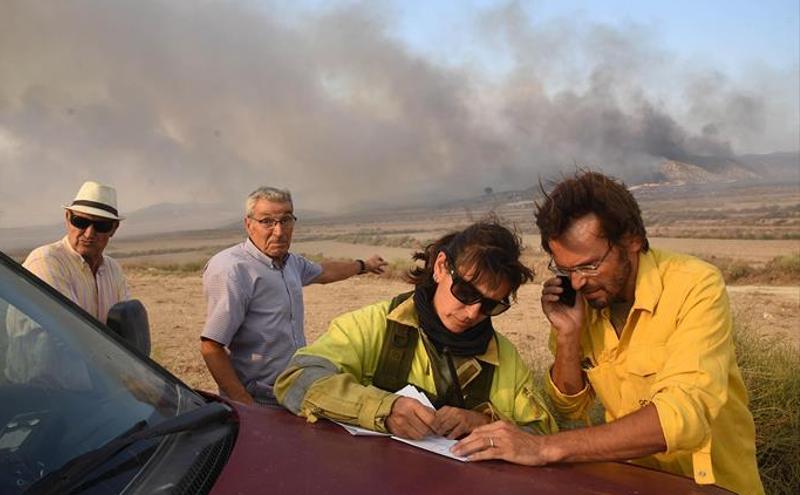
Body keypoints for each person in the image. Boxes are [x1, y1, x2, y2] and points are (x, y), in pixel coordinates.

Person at [452, 171, 763, 495]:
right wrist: (568, 335)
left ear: (632, 240)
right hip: (635, 484)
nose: (577, 283)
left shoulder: (695, 285)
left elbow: (683, 415)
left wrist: (543, 448)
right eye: (566, 269)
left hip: (713, 486)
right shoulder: (585, 302)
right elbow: (571, 409)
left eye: (588, 266)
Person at [274, 220, 557, 439]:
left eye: (490, 306)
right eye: (465, 292)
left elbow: (543, 436)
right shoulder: (376, 325)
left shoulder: (504, 358)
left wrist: (485, 424)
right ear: (441, 266)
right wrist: (383, 408)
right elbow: (296, 380)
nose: (473, 313)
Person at [200, 186, 388, 406]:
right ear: (248, 224)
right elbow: (211, 346)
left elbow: (325, 272)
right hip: (259, 400)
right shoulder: (232, 269)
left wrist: (363, 265)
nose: (279, 231)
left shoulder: (290, 263)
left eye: (286, 220)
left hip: (293, 390)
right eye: (267, 221)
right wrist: (245, 405)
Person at [5, 180, 129, 388]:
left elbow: (125, 330)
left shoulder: (113, 270)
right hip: (40, 391)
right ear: (67, 219)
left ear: (114, 229)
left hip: (94, 389)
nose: (89, 233)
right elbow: (72, 332)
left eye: (101, 226)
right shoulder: (46, 261)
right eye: (80, 222)